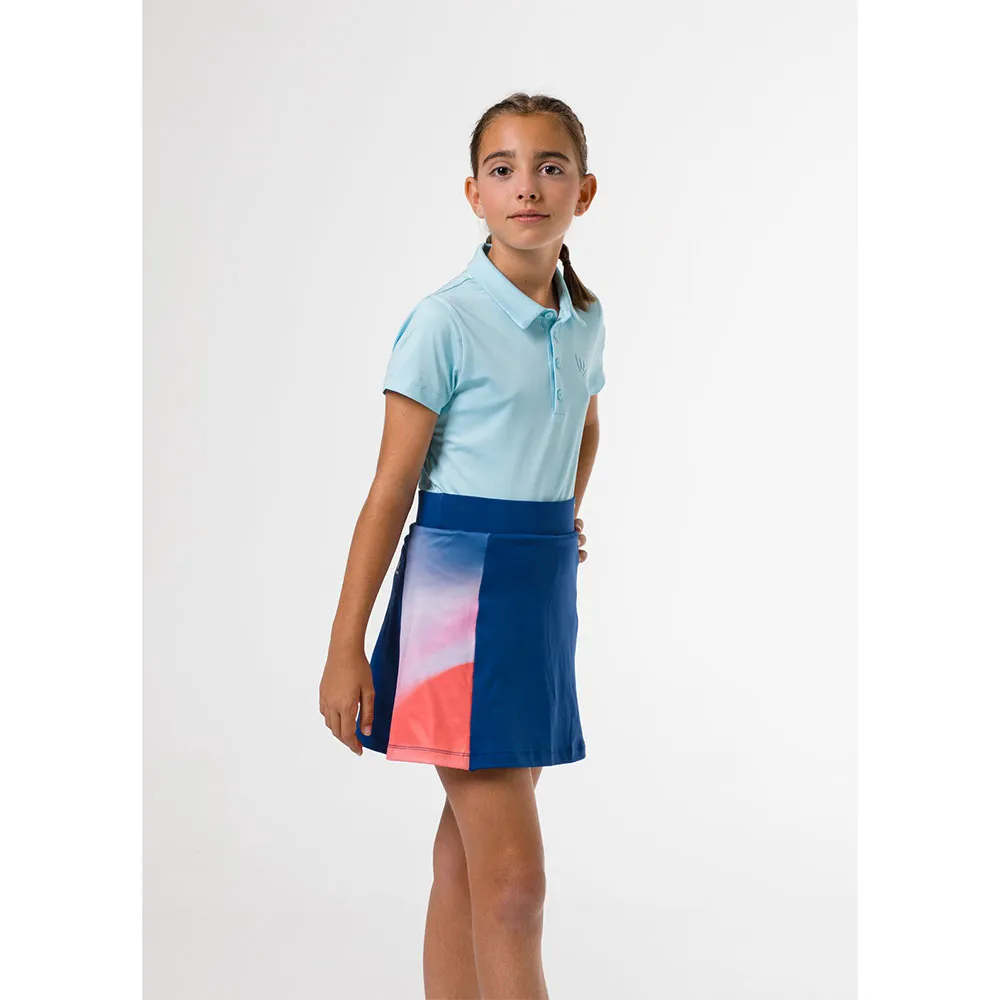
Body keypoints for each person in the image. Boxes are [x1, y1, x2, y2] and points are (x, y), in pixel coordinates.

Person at [319, 92, 605, 999]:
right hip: (456, 596)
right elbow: (389, 491)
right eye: (503, 169)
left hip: (537, 594)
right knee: (515, 884)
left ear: (584, 192)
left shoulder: (584, 316)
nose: (528, 187)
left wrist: (560, 514)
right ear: (474, 193)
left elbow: (583, 422)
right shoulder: (443, 321)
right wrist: (345, 646)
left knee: (469, 858)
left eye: (550, 168)